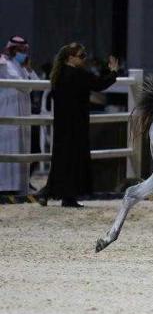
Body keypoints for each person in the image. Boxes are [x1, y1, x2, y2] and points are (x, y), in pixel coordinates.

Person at [37, 43, 118, 207]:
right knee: (74, 159)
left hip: (61, 123)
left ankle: (53, 193)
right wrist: (113, 71)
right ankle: (64, 196)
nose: (84, 59)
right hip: (76, 123)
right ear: (70, 58)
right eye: (81, 56)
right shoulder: (78, 74)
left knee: (61, 159)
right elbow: (99, 84)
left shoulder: (58, 75)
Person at [0, 36, 32, 195]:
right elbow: (23, 85)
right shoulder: (4, 63)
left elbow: (33, 85)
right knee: (8, 146)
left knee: (21, 147)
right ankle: (5, 186)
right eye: (20, 51)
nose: (23, 54)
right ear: (13, 49)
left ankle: (18, 186)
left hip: (22, 111)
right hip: (8, 110)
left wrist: (28, 69)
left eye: (24, 51)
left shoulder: (20, 66)